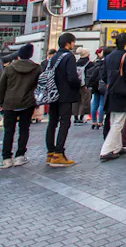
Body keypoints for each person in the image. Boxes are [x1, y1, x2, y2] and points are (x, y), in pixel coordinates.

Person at [0, 43, 40, 169]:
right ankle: (20, 155)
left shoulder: (9, 68)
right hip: (27, 102)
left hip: (10, 102)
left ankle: (6, 158)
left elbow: (1, 86)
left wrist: (2, 102)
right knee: (24, 129)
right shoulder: (36, 68)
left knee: (9, 131)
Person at [100, 33, 126, 161]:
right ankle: (106, 150)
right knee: (118, 122)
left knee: (114, 120)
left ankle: (117, 147)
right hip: (123, 93)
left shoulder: (109, 56)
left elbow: (103, 75)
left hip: (111, 91)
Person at [44, 34, 81, 167]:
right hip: (65, 95)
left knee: (52, 123)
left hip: (52, 94)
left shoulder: (53, 58)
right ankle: (59, 153)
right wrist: (78, 83)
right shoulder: (69, 57)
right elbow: (72, 77)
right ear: (69, 43)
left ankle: (50, 152)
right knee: (64, 123)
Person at [87, 48, 107, 130]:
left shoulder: (95, 62)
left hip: (95, 85)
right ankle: (100, 122)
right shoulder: (105, 63)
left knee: (95, 103)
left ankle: (94, 121)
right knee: (102, 104)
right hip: (102, 85)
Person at [73, 47, 92, 125]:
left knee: (77, 101)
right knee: (85, 101)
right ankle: (81, 116)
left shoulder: (76, 63)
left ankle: (75, 116)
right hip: (85, 85)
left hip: (76, 84)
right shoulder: (89, 63)